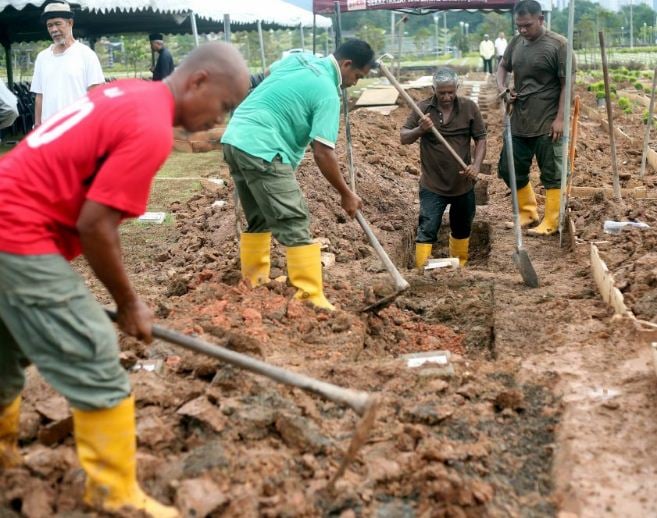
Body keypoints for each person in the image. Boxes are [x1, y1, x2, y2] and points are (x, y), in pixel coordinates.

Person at [0, 42, 250, 517]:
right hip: (15, 231)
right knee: (93, 350)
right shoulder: (151, 128)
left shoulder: (128, 93)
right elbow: (94, 225)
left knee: (4, 348)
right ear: (197, 81)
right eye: (222, 106)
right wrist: (130, 303)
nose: (216, 122)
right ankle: (113, 494)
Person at [221, 39, 375, 310]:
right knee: (294, 219)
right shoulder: (328, 92)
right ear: (346, 64)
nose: (355, 83)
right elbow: (323, 153)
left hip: (235, 138)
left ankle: (254, 282)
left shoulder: (300, 59)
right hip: (264, 148)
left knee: (259, 218)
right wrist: (345, 193)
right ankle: (310, 296)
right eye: (357, 76)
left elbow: (267, 76)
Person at [497, 0, 573, 236]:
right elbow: (502, 67)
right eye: (518, 25)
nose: (522, 30)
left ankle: (551, 220)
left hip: (548, 122)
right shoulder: (516, 42)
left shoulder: (559, 45)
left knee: (552, 173)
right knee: (508, 168)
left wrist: (560, 119)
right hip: (519, 119)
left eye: (527, 25)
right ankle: (528, 212)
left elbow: (567, 85)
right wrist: (503, 89)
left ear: (541, 19)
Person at [401, 67, 486, 269]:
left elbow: (481, 138)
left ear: (456, 88)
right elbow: (404, 137)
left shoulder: (469, 107)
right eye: (442, 93)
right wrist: (420, 129)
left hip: (462, 184)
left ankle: (460, 266)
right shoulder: (422, 109)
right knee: (428, 228)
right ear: (434, 89)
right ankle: (422, 268)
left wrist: (476, 165)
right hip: (432, 184)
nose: (446, 97)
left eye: (450, 92)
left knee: (462, 228)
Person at [30, 1, 105, 126]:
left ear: (70, 23)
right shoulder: (42, 57)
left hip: (78, 127)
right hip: (49, 129)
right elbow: (39, 96)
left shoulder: (86, 55)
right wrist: (37, 125)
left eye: (58, 24)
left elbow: (96, 94)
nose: (54, 29)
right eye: (49, 25)